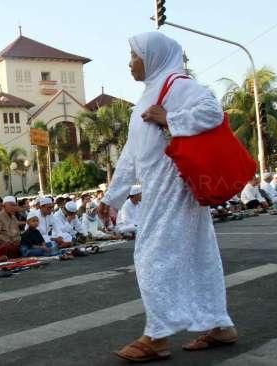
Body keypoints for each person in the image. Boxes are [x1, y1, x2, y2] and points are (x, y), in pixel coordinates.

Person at [99, 32, 236, 362]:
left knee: (151, 257)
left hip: (176, 187)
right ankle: (220, 325)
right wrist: (112, 198)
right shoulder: (146, 98)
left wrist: (170, 118)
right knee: (199, 255)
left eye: (134, 56)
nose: (130, 63)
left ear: (153, 56)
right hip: (160, 188)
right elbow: (132, 155)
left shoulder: (178, 85)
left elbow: (212, 113)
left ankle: (157, 336)